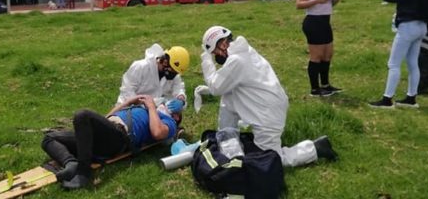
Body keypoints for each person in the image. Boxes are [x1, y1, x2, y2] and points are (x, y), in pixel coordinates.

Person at [196, 26, 338, 167]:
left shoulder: (237, 61)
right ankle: (228, 144)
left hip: (267, 115)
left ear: (223, 44)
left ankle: (315, 148)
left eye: (216, 52)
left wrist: (206, 58)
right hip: (269, 105)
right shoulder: (244, 51)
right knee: (228, 96)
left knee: (272, 159)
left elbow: (215, 87)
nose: (217, 57)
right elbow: (225, 85)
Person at [41, 95, 181, 189]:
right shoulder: (144, 109)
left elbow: (158, 133)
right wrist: (128, 103)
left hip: (119, 138)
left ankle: (83, 173)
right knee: (49, 138)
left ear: (176, 118)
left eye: (176, 112)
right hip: (104, 133)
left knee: (82, 115)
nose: (165, 104)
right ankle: (70, 163)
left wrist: (151, 108)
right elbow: (106, 117)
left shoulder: (168, 121)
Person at [369, 0, 428, 109]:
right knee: (412, 63)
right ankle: (411, 98)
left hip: (407, 28)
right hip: (421, 27)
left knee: (393, 64)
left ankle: (387, 100)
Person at [296, 0, 344, 97]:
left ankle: (326, 84)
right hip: (313, 22)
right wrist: (317, 0)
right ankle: (315, 89)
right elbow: (299, 4)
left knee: (327, 54)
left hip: (325, 21)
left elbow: (330, 4)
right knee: (316, 56)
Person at [116, 44, 189, 112]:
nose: (173, 74)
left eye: (175, 72)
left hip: (153, 111)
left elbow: (179, 88)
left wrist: (181, 99)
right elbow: (127, 92)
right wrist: (149, 104)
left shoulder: (173, 75)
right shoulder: (140, 67)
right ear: (165, 61)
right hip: (129, 109)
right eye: (172, 70)